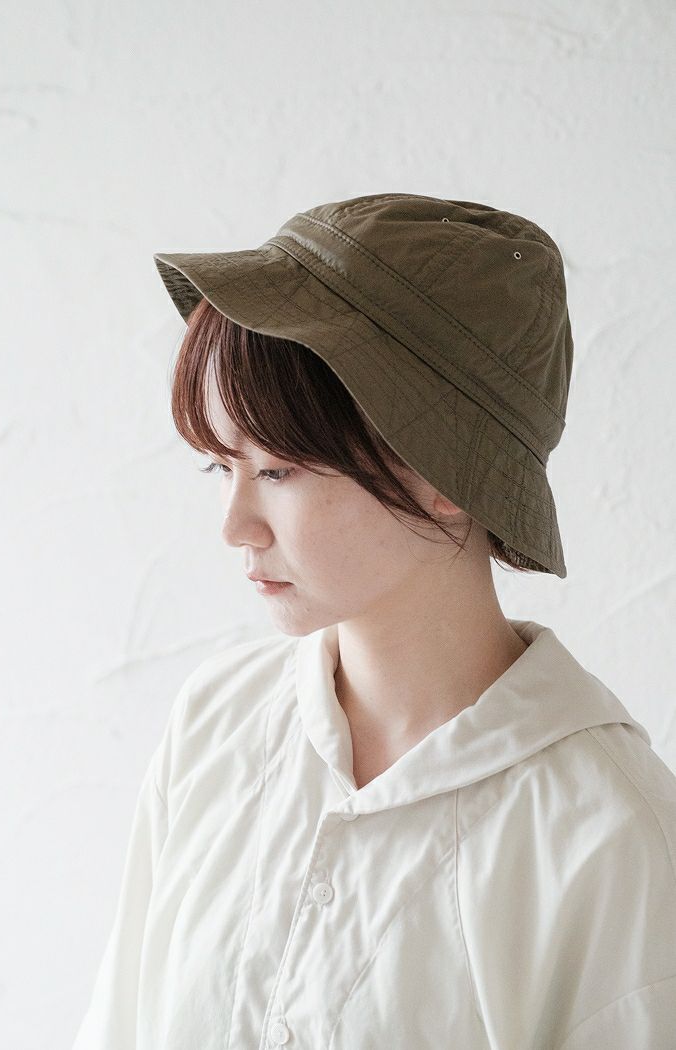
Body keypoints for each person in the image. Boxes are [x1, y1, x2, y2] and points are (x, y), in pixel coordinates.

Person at [72, 194, 676, 1049]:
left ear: (444, 469)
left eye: (277, 470)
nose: (234, 526)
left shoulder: (608, 835)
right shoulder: (218, 723)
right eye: (219, 466)